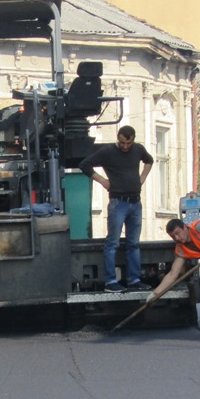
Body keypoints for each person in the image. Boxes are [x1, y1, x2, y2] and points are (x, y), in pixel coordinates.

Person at [78, 125, 154, 293]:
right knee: (112, 242)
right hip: (118, 202)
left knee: (133, 243)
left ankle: (134, 280)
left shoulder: (138, 149)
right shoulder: (108, 152)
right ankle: (110, 281)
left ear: (133, 139)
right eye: (121, 143)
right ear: (117, 138)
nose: (125, 146)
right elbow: (84, 165)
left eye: (128, 143)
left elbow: (149, 160)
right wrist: (102, 180)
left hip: (135, 201)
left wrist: (141, 179)